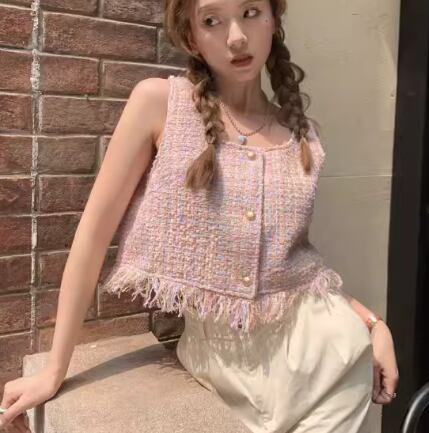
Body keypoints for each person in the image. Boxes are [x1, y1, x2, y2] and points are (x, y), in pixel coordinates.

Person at [0, 1, 399, 432]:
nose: (237, 37)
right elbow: (93, 236)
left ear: (273, 18)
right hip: (219, 362)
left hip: (329, 366)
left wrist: (372, 324)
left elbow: (295, 269)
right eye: (212, 21)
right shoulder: (160, 103)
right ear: (192, 37)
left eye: (251, 12)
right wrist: (55, 369)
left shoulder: (303, 137)